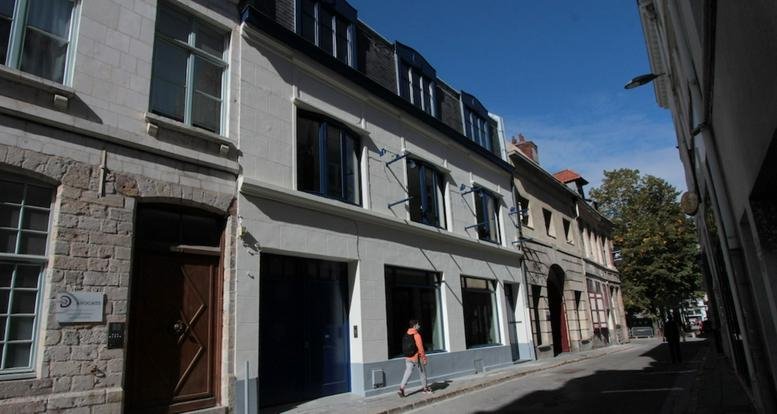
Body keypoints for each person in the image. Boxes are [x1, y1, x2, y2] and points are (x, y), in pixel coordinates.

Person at [398, 319, 432, 397]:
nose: (419, 326)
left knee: (408, 371)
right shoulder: (416, 335)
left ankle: (401, 387)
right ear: (415, 326)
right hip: (417, 357)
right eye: (418, 324)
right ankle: (425, 389)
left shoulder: (406, 334)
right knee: (422, 372)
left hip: (408, 357)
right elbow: (421, 348)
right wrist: (424, 359)